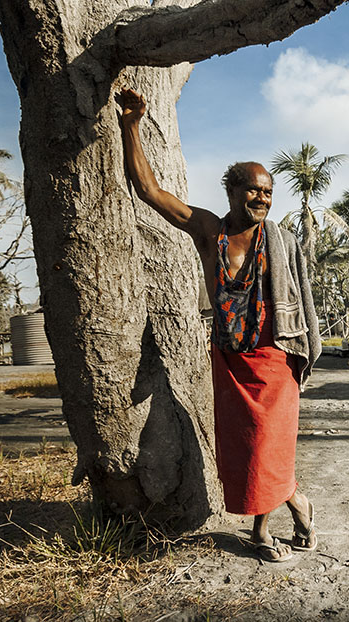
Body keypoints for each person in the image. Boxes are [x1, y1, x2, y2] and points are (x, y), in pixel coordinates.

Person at [119, 88, 320, 563]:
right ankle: (298, 509)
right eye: (253, 189)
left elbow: (298, 301)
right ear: (231, 190)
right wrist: (132, 126)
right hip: (230, 358)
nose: (262, 197)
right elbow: (149, 190)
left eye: (269, 192)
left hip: (275, 360)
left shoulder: (280, 241)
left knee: (269, 443)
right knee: (247, 449)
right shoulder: (211, 230)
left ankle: (262, 532)